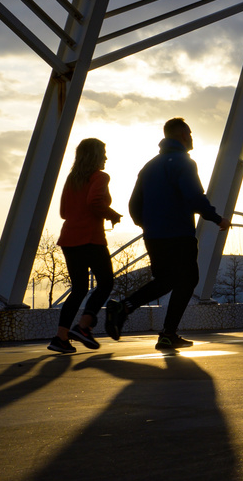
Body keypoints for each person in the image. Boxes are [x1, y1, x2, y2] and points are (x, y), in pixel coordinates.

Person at [105, 118, 230, 351]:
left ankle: (125, 307)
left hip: (154, 236)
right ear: (182, 135)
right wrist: (217, 218)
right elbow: (194, 197)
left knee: (166, 280)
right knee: (188, 279)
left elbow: (134, 204)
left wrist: (149, 226)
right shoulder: (184, 162)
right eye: (190, 133)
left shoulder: (149, 166)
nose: (192, 137)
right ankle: (167, 334)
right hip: (179, 234)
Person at [48, 138, 121, 354]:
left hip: (69, 239)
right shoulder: (100, 176)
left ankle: (61, 338)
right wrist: (112, 214)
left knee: (79, 289)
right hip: (90, 239)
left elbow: (63, 212)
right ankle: (83, 326)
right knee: (106, 283)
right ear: (96, 155)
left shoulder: (72, 178)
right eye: (104, 153)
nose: (106, 157)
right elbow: (95, 202)